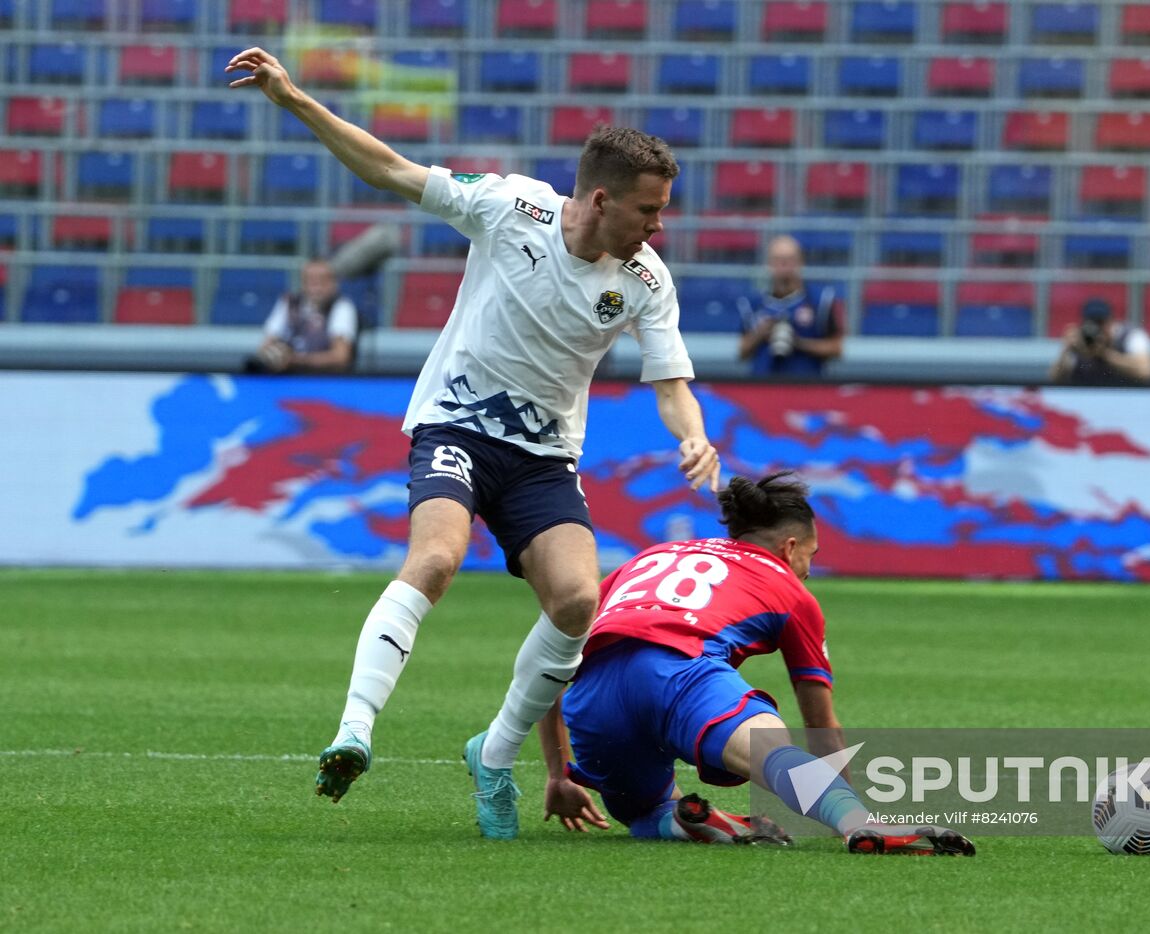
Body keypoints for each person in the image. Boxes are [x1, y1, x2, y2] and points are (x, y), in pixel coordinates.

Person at [226, 47, 722, 839]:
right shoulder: (509, 207)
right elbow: (389, 169)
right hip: (457, 423)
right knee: (436, 559)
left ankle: (492, 755)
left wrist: (695, 438)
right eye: (649, 211)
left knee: (578, 601)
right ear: (600, 198)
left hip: (543, 456)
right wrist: (295, 101)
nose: (659, 226)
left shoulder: (646, 279)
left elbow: (670, 383)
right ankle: (355, 728)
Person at [536, 473, 977, 857]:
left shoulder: (655, 554)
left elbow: (551, 656)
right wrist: (844, 810)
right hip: (681, 673)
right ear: (789, 548)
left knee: (643, 812)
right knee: (773, 751)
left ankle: (684, 821)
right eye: (811, 555)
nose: (806, 569)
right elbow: (820, 721)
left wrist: (559, 773)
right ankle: (864, 826)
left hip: (593, 695)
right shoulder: (790, 589)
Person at [737, 236, 845, 378]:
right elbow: (742, 352)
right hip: (763, 387)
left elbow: (836, 348)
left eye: (789, 259)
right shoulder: (753, 304)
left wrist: (799, 343)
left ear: (800, 262)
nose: (784, 264)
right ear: (769, 264)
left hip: (806, 385)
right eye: (778, 259)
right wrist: (761, 333)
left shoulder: (820, 301)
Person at [245, 259, 359, 374]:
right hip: (286, 378)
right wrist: (275, 356)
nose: (316, 287)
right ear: (302, 282)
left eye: (322, 280)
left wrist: (295, 360)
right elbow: (265, 345)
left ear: (334, 283)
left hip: (326, 380)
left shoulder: (342, 306)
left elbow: (341, 357)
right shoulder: (288, 302)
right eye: (311, 280)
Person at [1049, 298, 1150, 386]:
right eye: (1091, 322)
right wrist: (1066, 350)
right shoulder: (1081, 340)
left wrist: (1104, 354)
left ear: (1111, 321)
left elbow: (1146, 371)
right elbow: (1055, 379)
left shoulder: (1131, 336)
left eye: (1100, 322)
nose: (1097, 328)